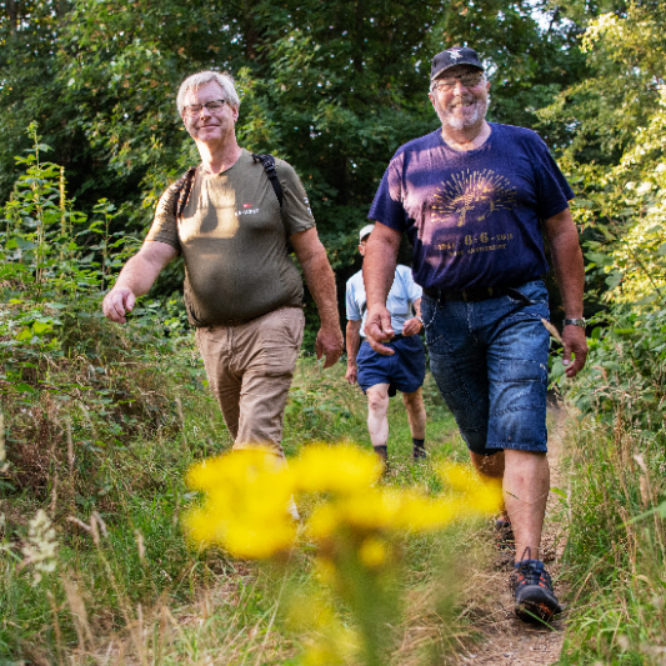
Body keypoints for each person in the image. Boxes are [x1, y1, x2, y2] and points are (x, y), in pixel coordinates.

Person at [363, 46, 587, 623]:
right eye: (448, 84)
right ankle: (499, 508)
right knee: (484, 445)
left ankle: (530, 566)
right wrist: (374, 306)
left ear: (486, 87)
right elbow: (385, 238)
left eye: (470, 80)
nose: (460, 92)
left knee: (521, 428)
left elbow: (561, 229)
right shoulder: (409, 160)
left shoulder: (525, 145)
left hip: (518, 305)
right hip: (444, 315)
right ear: (433, 96)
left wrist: (574, 317)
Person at [102, 70, 343, 459]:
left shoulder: (274, 174)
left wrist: (331, 325)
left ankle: (267, 522)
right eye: (194, 108)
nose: (205, 114)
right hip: (213, 337)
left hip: (273, 322)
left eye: (215, 104)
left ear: (233, 110)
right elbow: (151, 254)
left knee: (255, 443)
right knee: (247, 442)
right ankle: (289, 517)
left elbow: (313, 254)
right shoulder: (179, 193)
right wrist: (124, 287)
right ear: (185, 120)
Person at [345, 224, 427, 465]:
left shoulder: (404, 273)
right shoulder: (353, 283)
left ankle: (419, 453)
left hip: (406, 343)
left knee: (412, 399)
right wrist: (351, 363)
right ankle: (381, 463)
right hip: (371, 347)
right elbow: (352, 325)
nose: (375, 246)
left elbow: (422, 303)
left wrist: (419, 319)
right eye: (369, 242)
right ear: (362, 249)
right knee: (376, 399)